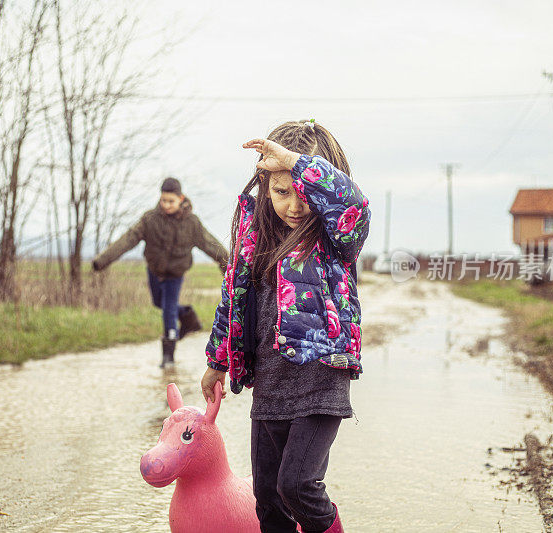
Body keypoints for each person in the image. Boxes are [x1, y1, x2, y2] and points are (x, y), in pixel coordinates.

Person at [200, 120, 370, 533]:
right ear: (264, 186)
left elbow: (353, 206)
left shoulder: (335, 239)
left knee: (297, 486)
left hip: (320, 381)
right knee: (270, 501)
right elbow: (234, 302)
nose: (294, 206)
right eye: (281, 192)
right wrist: (218, 360)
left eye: (305, 193)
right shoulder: (253, 237)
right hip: (271, 386)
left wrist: (296, 164)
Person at [92, 177, 229, 368]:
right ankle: (188, 317)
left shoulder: (191, 223)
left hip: (175, 274)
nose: (166, 205)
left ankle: (168, 357)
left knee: (168, 309)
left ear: (181, 198)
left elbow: (211, 245)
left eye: (171, 201)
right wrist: (102, 261)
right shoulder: (150, 219)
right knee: (160, 303)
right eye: (163, 200)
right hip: (155, 271)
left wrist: (230, 267)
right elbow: (128, 239)